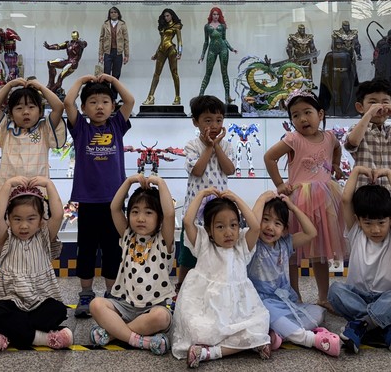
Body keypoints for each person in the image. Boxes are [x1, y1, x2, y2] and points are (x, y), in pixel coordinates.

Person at [0, 176, 72, 352]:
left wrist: (49, 184)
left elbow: (58, 215)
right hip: (10, 303)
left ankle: (8, 334)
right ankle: (42, 338)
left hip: (39, 301)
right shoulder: (6, 239)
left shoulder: (44, 237)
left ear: (41, 220)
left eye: (31, 219)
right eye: (17, 219)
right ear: (8, 218)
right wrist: (7, 185)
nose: (24, 226)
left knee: (58, 310)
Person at [263, 90, 345, 310]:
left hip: (324, 200)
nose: (302, 119)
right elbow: (269, 157)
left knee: (320, 250)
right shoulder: (293, 139)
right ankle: (295, 295)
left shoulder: (329, 137)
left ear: (320, 114)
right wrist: (279, 184)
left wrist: (335, 165)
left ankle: (323, 296)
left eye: (307, 112)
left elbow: (337, 148)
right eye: (295, 115)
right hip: (297, 201)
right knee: (292, 250)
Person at [171, 188, 271, 366]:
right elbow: (187, 221)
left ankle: (209, 353)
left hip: (238, 312)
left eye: (233, 225)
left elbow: (255, 226)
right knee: (197, 329)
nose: (228, 232)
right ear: (209, 230)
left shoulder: (241, 246)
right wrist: (201, 195)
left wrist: (236, 199)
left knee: (260, 324)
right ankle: (250, 345)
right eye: (220, 226)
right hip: (207, 310)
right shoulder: (203, 243)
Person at [64, 74, 135, 318]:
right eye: (93, 102)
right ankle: (85, 294)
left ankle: (111, 294)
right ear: (84, 108)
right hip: (87, 201)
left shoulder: (116, 125)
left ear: (113, 106)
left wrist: (113, 81)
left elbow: (130, 100)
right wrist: (81, 80)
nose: (99, 107)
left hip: (114, 203)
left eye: (105, 102)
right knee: (86, 249)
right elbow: (68, 102)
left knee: (112, 249)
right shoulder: (81, 129)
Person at [327, 167, 391, 354]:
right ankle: (384, 326)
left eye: (381, 223)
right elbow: (345, 200)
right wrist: (357, 170)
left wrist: (389, 173)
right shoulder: (356, 232)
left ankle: (361, 325)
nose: (375, 229)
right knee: (334, 291)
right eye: (368, 223)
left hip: (387, 297)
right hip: (358, 296)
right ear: (358, 220)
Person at [247, 193, 341, 357]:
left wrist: (293, 208)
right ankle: (309, 339)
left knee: (318, 312)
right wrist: (261, 199)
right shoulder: (254, 244)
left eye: (277, 223)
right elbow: (253, 227)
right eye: (265, 219)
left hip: (284, 301)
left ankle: (278, 334)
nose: (270, 227)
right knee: (270, 315)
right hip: (261, 302)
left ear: (284, 230)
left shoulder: (285, 243)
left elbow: (311, 232)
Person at [89, 175, 175, 354]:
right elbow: (114, 208)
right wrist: (128, 182)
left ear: (159, 218)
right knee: (96, 304)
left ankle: (113, 333)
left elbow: (170, 214)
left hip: (153, 308)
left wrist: (161, 183)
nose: (140, 218)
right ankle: (139, 340)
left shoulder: (163, 241)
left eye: (148, 213)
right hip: (125, 306)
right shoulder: (128, 236)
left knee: (162, 317)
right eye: (135, 212)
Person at [178, 95, 236, 285]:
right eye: (208, 120)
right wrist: (209, 147)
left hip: (219, 211)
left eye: (219, 120)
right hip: (194, 212)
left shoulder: (226, 146)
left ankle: (215, 284)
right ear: (196, 122)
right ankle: (181, 286)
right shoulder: (192, 145)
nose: (214, 125)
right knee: (189, 253)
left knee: (216, 251)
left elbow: (230, 169)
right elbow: (197, 170)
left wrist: (217, 146)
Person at [0, 77, 66, 201]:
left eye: (31, 107)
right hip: (8, 192)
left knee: (38, 213)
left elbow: (59, 107)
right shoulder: (6, 129)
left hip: (38, 192)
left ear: (40, 111)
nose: (25, 112)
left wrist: (41, 87)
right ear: (11, 114)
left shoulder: (44, 129)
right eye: (19, 108)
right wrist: (9, 85)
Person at [344, 78, 391, 194]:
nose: (379, 107)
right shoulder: (357, 130)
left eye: (385, 102)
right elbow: (353, 141)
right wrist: (369, 113)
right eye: (373, 103)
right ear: (360, 107)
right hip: (365, 195)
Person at [143, 8, 183, 106]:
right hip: (161, 50)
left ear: (172, 16)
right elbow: (162, 41)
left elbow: (180, 41)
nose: (166, 18)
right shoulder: (163, 26)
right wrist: (156, 54)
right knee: (156, 74)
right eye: (165, 16)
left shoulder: (176, 26)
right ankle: (150, 97)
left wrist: (180, 52)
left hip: (171, 50)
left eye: (168, 16)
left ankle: (177, 97)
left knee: (174, 73)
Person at [198, 7, 237, 103]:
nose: (216, 16)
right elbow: (206, 41)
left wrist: (231, 48)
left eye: (217, 14)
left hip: (223, 49)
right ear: (211, 15)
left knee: (224, 73)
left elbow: (224, 39)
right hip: (212, 50)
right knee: (208, 73)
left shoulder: (222, 26)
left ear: (220, 15)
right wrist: (202, 55)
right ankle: (200, 96)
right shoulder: (207, 26)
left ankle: (227, 97)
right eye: (214, 14)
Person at [98, 6, 129, 100]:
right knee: (106, 74)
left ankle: (114, 98)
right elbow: (101, 39)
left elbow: (126, 40)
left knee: (116, 75)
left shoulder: (122, 25)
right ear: (109, 14)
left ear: (118, 14)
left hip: (118, 53)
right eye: (111, 12)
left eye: (115, 12)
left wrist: (126, 55)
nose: (113, 14)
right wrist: (100, 54)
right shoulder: (105, 25)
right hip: (108, 52)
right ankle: (106, 96)